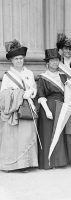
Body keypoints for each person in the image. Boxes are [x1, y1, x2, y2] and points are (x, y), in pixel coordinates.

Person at [0, 40, 38, 171]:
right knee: (15, 138)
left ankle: (28, 163)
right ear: (11, 60)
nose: (19, 61)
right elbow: (3, 95)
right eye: (16, 59)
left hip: (28, 107)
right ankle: (14, 164)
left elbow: (34, 87)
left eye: (21, 58)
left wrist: (32, 93)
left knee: (27, 135)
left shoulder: (29, 73)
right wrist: (21, 94)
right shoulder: (7, 76)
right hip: (14, 109)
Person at [36, 48, 68, 169]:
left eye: (56, 60)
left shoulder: (63, 76)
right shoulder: (42, 77)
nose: (55, 62)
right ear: (47, 63)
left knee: (59, 133)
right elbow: (41, 95)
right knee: (48, 134)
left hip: (62, 106)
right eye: (52, 60)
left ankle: (59, 161)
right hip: (48, 108)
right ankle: (48, 162)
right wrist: (47, 111)